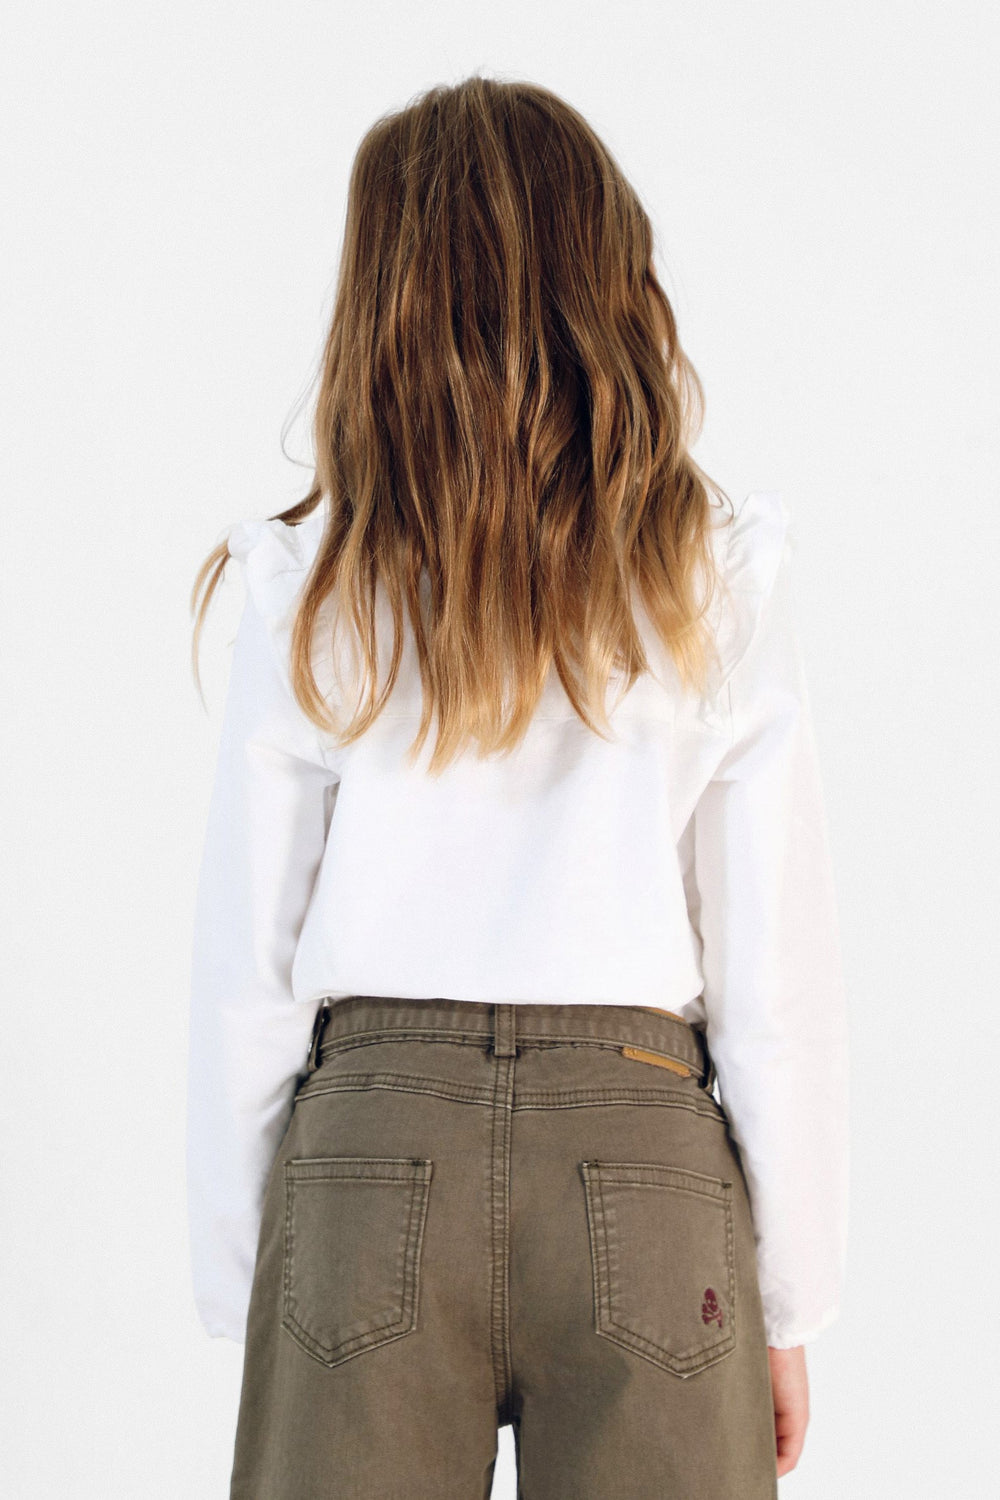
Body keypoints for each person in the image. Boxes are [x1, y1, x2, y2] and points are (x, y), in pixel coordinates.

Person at [186, 74, 849, 1499]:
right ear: (607, 281)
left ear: (382, 303)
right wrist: (789, 1300)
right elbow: (772, 976)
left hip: (367, 1159)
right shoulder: (715, 576)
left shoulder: (312, 585)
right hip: (646, 1158)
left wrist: (251, 1283)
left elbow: (249, 968)